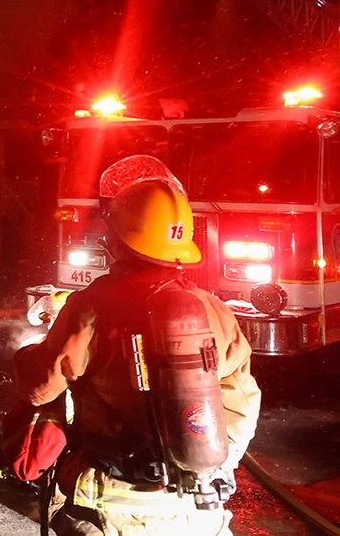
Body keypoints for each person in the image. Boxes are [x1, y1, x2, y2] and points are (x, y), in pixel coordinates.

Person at [14, 178, 261, 535]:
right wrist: (206, 462)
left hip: (112, 506)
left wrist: (27, 354)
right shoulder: (212, 308)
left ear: (117, 239)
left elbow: (41, 388)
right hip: (196, 510)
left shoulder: (91, 306)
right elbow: (243, 401)